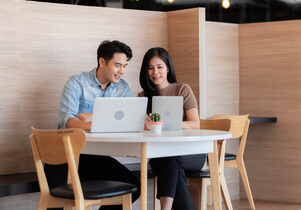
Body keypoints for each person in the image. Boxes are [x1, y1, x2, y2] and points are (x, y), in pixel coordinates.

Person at [45, 40, 140, 210]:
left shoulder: (123, 88)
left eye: (125, 66)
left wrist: (92, 117)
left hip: (94, 156)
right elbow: (67, 121)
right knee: (56, 197)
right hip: (66, 155)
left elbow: (126, 123)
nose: (122, 71)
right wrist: (98, 122)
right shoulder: (76, 83)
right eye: (117, 65)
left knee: (133, 186)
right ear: (102, 62)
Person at [138, 47, 206, 210]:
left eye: (159, 67)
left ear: (168, 68)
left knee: (170, 158)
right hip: (161, 155)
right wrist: (145, 125)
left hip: (191, 152)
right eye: (150, 68)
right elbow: (139, 128)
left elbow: (195, 123)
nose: (155, 72)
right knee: (170, 160)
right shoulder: (142, 97)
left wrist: (166, 124)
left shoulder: (182, 89)